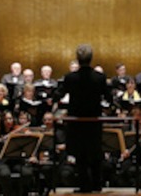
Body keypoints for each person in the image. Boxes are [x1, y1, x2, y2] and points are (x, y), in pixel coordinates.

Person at [54, 43, 111, 193]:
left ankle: (84, 186)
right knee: (95, 152)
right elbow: (109, 98)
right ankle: (97, 185)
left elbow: (59, 94)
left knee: (80, 154)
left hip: (77, 122)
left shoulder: (70, 78)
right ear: (91, 59)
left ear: (77, 60)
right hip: (94, 121)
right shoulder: (100, 77)